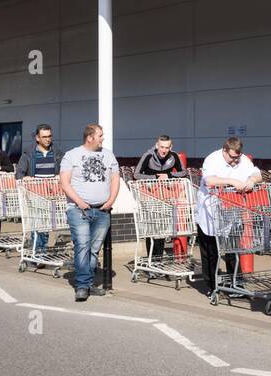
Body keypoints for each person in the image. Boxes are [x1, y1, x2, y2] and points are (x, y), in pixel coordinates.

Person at [59, 124, 120, 302]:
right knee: (82, 246)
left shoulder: (108, 155)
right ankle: (82, 285)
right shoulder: (71, 155)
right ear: (90, 137)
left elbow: (115, 179)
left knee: (93, 250)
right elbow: (65, 182)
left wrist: (110, 202)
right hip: (78, 210)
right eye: (100, 135)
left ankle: (88, 284)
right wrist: (80, 202)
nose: (103, 139)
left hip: (102, 210)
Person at [194, 136, 262, 291]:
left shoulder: (242, 159)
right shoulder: (212, 159)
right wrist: (232, 181)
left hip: (232, 210)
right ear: (225, 151)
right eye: (232, 157)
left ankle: (236, 284)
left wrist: (251, 180)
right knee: (211, 251)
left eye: (237, 157)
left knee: (233, 250)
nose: (235, 161)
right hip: (211, 210)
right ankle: (212, 286)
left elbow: (257, 174)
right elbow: (209, 180)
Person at [134, 134, 188, 259]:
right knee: (152, 229)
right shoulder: (148, 156)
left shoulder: (174, 156)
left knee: (163, 228)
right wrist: (155, 177)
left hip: (166, 197)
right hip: (150, 197)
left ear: (171, 147)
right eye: (162, 147)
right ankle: (152, 260)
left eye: (167, 147)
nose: (164, 150)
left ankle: (159, 260)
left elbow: (183, 172)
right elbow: (136, 174)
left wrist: (168, 175)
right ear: (157, 145)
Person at [15, 124, 59, 261]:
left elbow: (64, 171)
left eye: (49, 136)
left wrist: (60, 176)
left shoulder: (57, 153)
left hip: (51, 195)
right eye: (44, 137)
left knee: (44, 226)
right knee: (37, 225)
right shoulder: (28, 154)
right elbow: (19, 174)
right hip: (34, 194)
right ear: (37, 138)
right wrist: (24, 178)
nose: (48, 139)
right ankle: (39, 253)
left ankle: (40, 252)